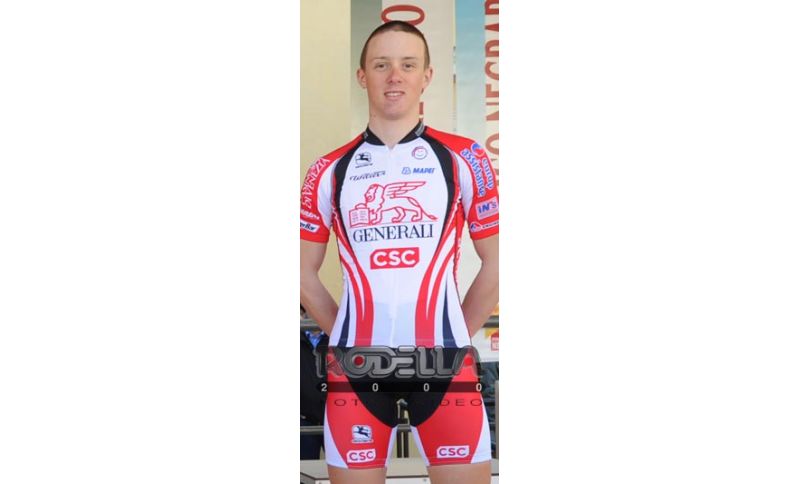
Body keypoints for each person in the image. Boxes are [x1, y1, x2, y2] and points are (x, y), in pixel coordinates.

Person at [300, 20, 499, 484]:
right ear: (362, 75)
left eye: (408, 65)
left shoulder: (465, 157)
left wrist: (455, 333)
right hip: (356, 368)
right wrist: (346, 332)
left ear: (426, 76)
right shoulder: (328, 169)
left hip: (446, 365)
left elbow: (499, 260)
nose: (395, 76)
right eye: (381, 65)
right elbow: (300, 271)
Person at [300, 304, 329, 459]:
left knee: (339, 467)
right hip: (303, 420)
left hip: (334, 419)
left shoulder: (335, 337)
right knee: (303, 468)